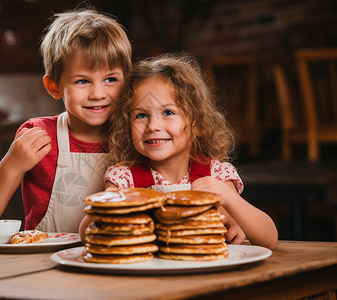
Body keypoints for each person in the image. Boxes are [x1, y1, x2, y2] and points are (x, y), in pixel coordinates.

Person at [79, 53, 278, 250]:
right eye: (141, 115)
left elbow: (268, 240)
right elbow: (86, 235)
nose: (152, 125)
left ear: (197, 124)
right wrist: (113, 204)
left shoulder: (216, 175)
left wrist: (231, 202)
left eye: (168, 112)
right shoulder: (123, 179)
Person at [0, 8, 132, 233]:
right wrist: (10, 167)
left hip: (108, 259)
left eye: (110, 79)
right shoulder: (37, 135)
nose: (98, 93)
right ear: (54, 86)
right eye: (82, 81)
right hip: (42, 261)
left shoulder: (133, 138)